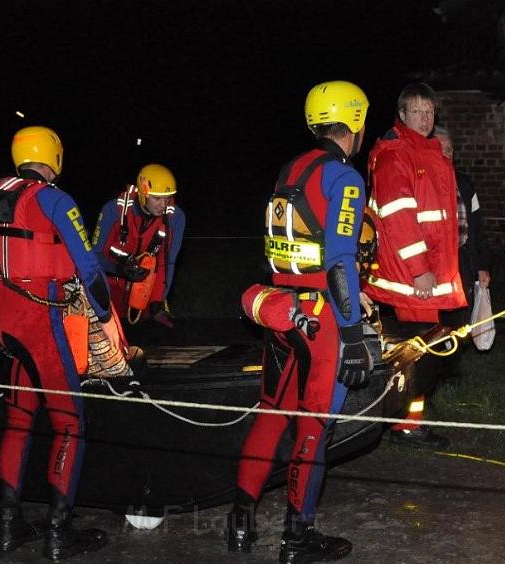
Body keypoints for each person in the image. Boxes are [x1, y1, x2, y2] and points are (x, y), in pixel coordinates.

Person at [228, 80, 374, 563]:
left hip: (278, 308)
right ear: (352, 121)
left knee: (272, 413)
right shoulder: (345, 177)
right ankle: (298, 536)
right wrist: (352, 332)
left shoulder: (290, 167)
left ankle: (240, 520)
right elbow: (339, 260)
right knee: (315, 425)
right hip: (320, 318)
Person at [0, 126, 117, 560]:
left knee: (18, 422)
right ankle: (59, 533)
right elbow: (88, 263)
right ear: (52, 156)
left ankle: (8, 527)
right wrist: (106, 315)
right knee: (70, 423)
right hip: (38, 319)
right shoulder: (53, 197)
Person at [364, 82, 466, 449]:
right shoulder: (395, 155)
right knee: (416, 357)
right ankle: (401, 425)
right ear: (402, 115)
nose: (424, 118)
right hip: (410, 281)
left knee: (426, 354)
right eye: (417, 111)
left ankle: (409, 422)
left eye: (430, 112)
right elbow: (399, 217)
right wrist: (420, 269)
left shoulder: (429, 150)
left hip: (428, 277)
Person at [92, 164, 185, 328]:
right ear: (143, 194)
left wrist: (158, 302)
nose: (163, 205)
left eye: (167, 198)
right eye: (157, 198)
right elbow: (94, 256)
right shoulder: (114, 210)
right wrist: (120, 269)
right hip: (110, 291)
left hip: (144, 295)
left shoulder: (174, 217)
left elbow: (167, 262)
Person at [433, 125, 492, 379]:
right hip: (434, 264)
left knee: (460, 317)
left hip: (462, 261)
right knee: (436, 318)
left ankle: (452, 367)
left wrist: (482, 265)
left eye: (450, 148)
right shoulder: (423, 182)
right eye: (440, 148)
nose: (447, 152)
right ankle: (432, 369)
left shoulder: (465, 184)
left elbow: (477, 226)